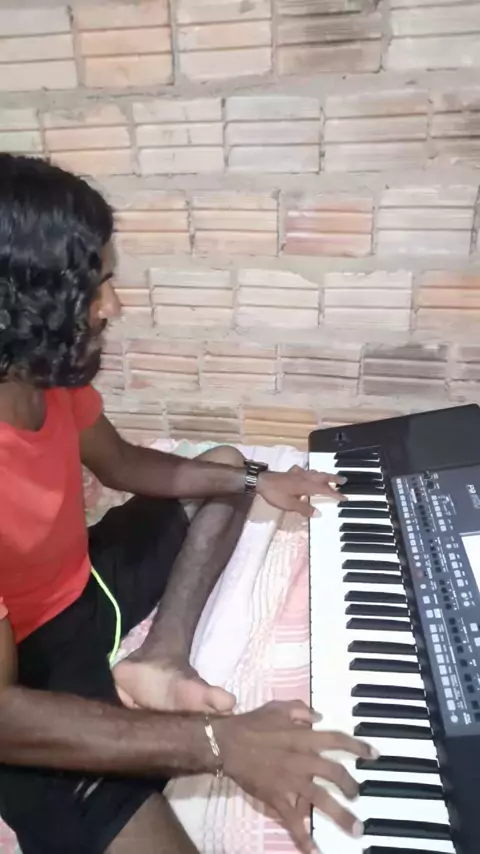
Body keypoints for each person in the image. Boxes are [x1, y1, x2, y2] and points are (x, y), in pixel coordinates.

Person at [0, 154, 376, 854]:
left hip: (86, 582)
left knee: (224, 468)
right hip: (27, 673)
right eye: (93, 288)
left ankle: (162, 657)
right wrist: (216, 742)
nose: (113, 306)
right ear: (22, 298)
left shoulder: (46, 377)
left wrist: (254, 481)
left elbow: (122, 463)